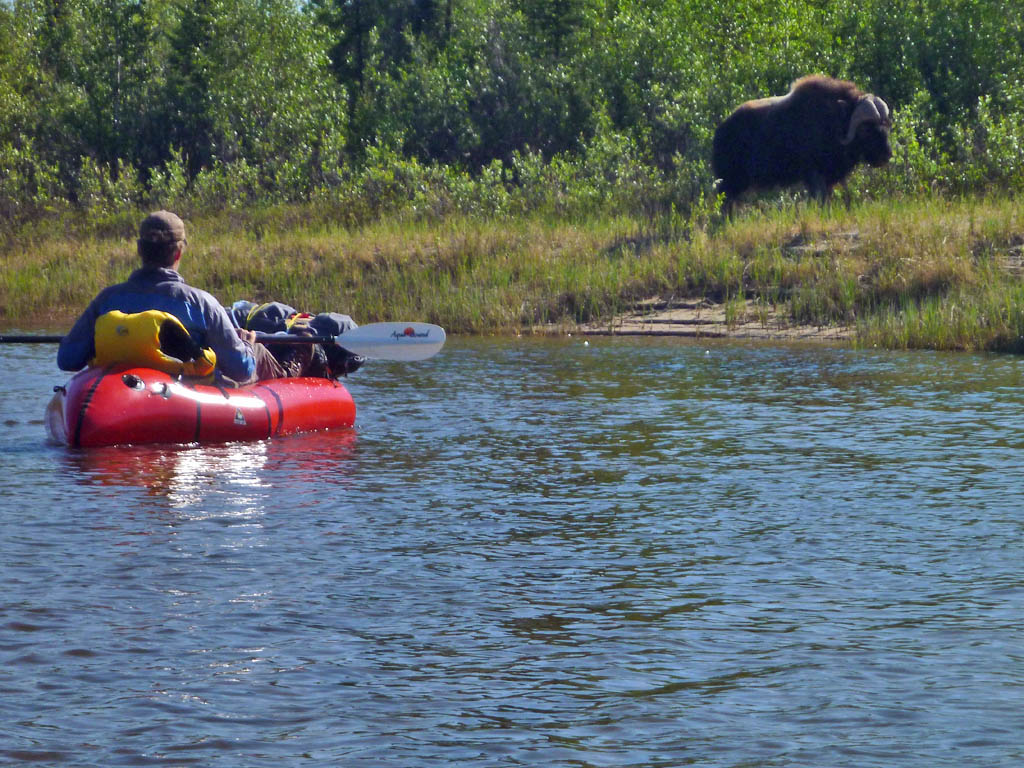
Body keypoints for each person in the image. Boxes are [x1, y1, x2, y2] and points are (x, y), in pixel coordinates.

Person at [57, 210, 298, 383]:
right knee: (254, 353)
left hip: (122, 392)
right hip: (182, 395)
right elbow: (241, 370)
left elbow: (67, 359)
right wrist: (247, 343)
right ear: (178, 253)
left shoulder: (106, 300)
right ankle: (296, 365)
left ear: (140, 250)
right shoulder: (202, 304)